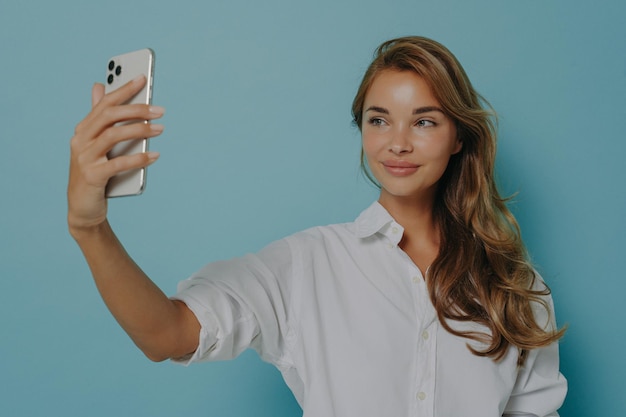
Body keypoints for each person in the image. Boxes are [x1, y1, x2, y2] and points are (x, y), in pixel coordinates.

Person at [67, 36, 567, 416]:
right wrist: (90, 227)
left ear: (459, 137)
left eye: (424, 121)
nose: (397, 143)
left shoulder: (516, 288)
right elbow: (168, 334)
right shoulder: (307, 265)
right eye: (378, 119)